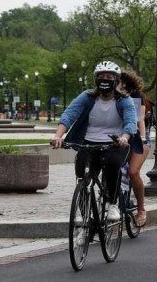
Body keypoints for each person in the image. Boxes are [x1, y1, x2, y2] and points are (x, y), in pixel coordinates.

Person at [51, 61, 139, 222]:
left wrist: (125, 138)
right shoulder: (87, 97)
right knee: (81, 174)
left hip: (116, 143)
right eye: (101, 76)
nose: (105, 79)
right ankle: (85, 216)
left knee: (113, 164)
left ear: (116, 80)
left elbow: (131, 123)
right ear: (96, 79)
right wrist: (58, 136)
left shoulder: (124, 100)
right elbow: (69, 114)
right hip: (89, 142)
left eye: (109, 76)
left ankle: (112, 204)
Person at [118, 70, 150, 227]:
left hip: (138, 139)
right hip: (120, 138)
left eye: (122, 84)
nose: (119, 87)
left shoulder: (137, 96)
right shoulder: (111, 96)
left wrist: (143, 137)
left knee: (132, 171)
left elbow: (140, 119)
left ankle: (141, 208)